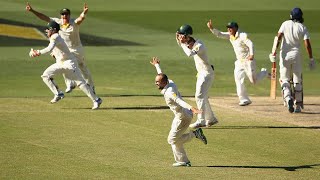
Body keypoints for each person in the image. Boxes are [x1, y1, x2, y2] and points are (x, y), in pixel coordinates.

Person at [29, 21, 102, 110]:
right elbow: (55, 50)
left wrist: (37, 52)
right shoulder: (54, 38)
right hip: (60, 64)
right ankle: (58, 93)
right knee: (45, 75)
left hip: (70, 63)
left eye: (48, 29)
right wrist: (54, 54)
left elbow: (49, 48)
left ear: (54, 30)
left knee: (80, 83)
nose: (47, 31)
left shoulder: (55, 36)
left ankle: (96, 100)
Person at [150, 57, 207, 167]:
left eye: (158, 82)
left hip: (183, 116)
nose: (156, 83)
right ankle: (183, 161)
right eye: (156, 81)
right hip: (180, 116)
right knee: (175, 140)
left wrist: (192, 108)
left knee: (171, 140)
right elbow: (162, 74)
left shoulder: (170, 92)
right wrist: (157, 65)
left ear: (164, 82)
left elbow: (179, 101)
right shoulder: (169, 82)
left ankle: (195, 134)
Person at [26, 2, 95, 94]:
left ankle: (91, 85)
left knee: (82, 67)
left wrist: (84, 12)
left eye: (66, 14)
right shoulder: (57, 22)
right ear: (61, 15)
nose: (64, 16)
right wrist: (32, 11)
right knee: (61, 63)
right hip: (65, 50)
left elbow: (80, 19)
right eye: (63, 14)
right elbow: (44, 17)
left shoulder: (73, 23)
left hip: (77, 49)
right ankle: (70, 84)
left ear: (69, 15)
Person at [207, 20, 268, 106]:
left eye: (230, 28)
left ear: (235, 28)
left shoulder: (242, 35)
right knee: (239, 80)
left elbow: (250, 44)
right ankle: (244, 99)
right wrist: (212, 28)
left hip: (248, 61)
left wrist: (252, 54)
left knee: (254, 81)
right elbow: (220, 34)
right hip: (239, 62)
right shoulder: (230, 35)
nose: (229, 30)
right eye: (228, 28)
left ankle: (265, 72)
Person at [269, 7, 315, 113]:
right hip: (296, 55)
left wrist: (273, 52)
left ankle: (288, 98)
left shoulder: (285, 24)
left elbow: (278, 37)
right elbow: (307, 44)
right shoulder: (302, 27)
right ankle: (298, 106)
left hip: (284, 55)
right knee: (297, 80)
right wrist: (311, 58)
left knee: (284, 79)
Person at [175, 24, 218, 129]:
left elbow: (190, 54)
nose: (180, 37)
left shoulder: (199, 45)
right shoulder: (189, 42)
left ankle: (201, 120)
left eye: (182, 35)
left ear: (187, 36)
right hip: (202, 73)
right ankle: (211, 119)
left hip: (206, 73)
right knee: (202, 97)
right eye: (179, 35)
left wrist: (182, 44)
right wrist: (182, 42)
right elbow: (186, 46)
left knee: (199, 96)